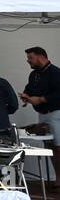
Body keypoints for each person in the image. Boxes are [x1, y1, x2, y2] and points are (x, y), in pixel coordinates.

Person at [20, 46, 60, 189]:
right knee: (49, 146)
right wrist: (26, 96)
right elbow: (30, 88)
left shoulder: (56, 73)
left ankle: (58, 179)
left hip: (56, 113)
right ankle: (57, 178)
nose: (28, 61)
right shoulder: (34, 75)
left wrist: (41, 99)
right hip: (42, 114)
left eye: (30, 57)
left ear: (41, 56)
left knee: (58, 146)